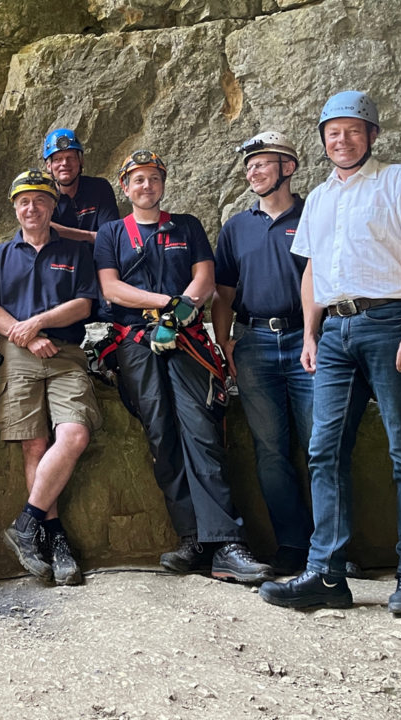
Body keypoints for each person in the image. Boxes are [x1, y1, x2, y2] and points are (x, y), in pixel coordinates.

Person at [260, 92, 401, 615]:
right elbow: (313, 270)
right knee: (324, 450)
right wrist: (311, 335)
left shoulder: (399, 179)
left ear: (371, 135)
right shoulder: (318, 198)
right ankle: (326, 575)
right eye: (333, 132)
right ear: (323, 140)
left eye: (352, 130)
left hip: (391, 322)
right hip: (336, 333)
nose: (342, 140)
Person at [94, 151, 272, 584]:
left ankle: (227, 542)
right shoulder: (112, 233)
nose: (146, 186)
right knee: (162, 436)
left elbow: (205, 277)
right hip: (137, 343)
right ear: (125, 187)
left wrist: (182, 312)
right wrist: (166, 307)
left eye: (154, 178)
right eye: (138, 180)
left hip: (187, 341)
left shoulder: (187, 226)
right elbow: (113, 288)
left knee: (201, 430)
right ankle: (192, 537)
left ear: (163, 183)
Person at [0, 170, 101, 586]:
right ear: (15, 208)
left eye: (40, 201)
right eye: (23, 202)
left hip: (66, 352)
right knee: (35, 443)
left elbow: (85, 304)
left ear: (53, 207)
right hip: (19, 352)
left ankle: (27, 522)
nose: (31, 208)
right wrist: (27, 336)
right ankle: (55, 539)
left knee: (74, 434)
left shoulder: (75, 251)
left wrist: (39, 323)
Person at [211, 132, 315, 576]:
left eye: (263, 163)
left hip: (306, 340)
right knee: (270, 451)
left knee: (321, 446)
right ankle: (292, 545)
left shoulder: (314, 215)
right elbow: (223, 293)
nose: (253, 171)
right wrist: (223, 345)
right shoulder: (236, 227)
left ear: (288, 168)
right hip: (252, 343)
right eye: (249, 165)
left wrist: (315, 335)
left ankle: (333, 547)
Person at [43, 129, 120, 243]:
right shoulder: (43, 195)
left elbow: (110, 236)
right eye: (58, 159)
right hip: (59, 259)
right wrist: (90, 236)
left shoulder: (99, 188)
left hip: (97, 258)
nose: (64, 163)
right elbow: (39, 227)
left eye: (71, 157)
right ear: (49, 166)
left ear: (81, 161)